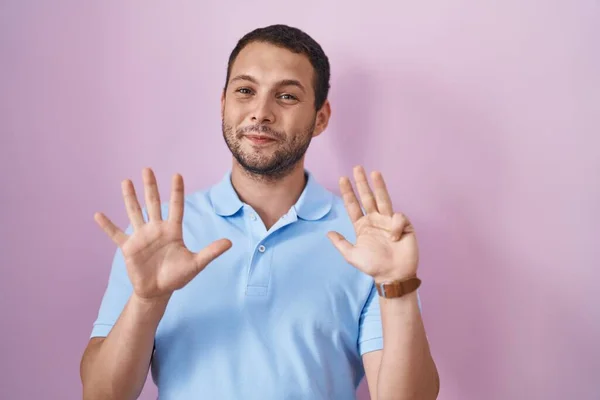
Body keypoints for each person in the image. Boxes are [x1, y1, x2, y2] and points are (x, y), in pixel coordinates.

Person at [79, 24, 439, 400]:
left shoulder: (367, 241)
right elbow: (102, 394)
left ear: (321, 118)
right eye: (245, 91)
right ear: (223, 103)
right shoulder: (157, 234)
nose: (261, 113)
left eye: (286, 96)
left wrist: (396, 288)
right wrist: (147, 301)